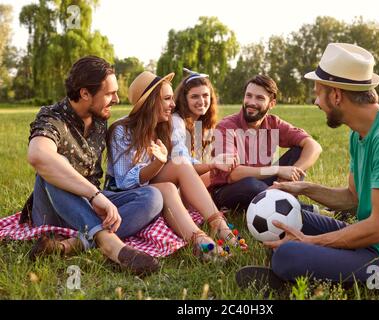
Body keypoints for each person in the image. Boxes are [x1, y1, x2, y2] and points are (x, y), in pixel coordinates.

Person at [236, 43, 379, 290]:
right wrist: (304, 188)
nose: (315, 101)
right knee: (293, 219)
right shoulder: (361, 133)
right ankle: (308, 267)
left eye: (318, 92)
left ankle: (297, 281)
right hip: (372, 241)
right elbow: (352, 199)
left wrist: (311, 243)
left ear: (336, 95)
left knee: (287, 255)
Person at [23, 56, 163, 275]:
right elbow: (38, 156)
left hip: (90, 205)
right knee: (55, 164)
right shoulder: (52, 117)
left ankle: (75, 244)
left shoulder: (99, 118)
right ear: (84, 94)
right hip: (55, 207)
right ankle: (110, 244)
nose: (116, 99)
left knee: (152, 197)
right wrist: (95, 195)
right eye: (109, 93)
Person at [105, 71, 245, 259]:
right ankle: (201, 240)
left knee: (178, 168)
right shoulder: (122, 130)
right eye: (167, 99)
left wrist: (213, 164)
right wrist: (158, 163)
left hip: (153, 186)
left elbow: (184, 161)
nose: (173, 104)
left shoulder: (165, 126)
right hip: (124, 195)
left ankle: (214, 229)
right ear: (151, 102)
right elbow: (124, 182)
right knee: (169, 187)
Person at [209, 74, 322, 211]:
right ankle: (306, 210)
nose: (251, 102)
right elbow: (233, 175)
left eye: (260, 98)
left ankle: (276, 198)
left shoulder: (273, 123)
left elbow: (314, 146)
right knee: (251, 185)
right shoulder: (226, 126)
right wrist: (278, 170)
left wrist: (292, 173)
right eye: (248, 96)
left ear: (272, 104)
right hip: (228, 191)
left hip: (262, 184)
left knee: (299, 151)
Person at [172, 68, 234, 187]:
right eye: (195, 96)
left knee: (229, 173)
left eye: (205, 95)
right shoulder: (176, 121)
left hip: (190, 179)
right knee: (225, 175)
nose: (201, 101)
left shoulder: (200, 125)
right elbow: (182, 162)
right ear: (184, 100)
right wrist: (213, 165)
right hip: (174, 182)